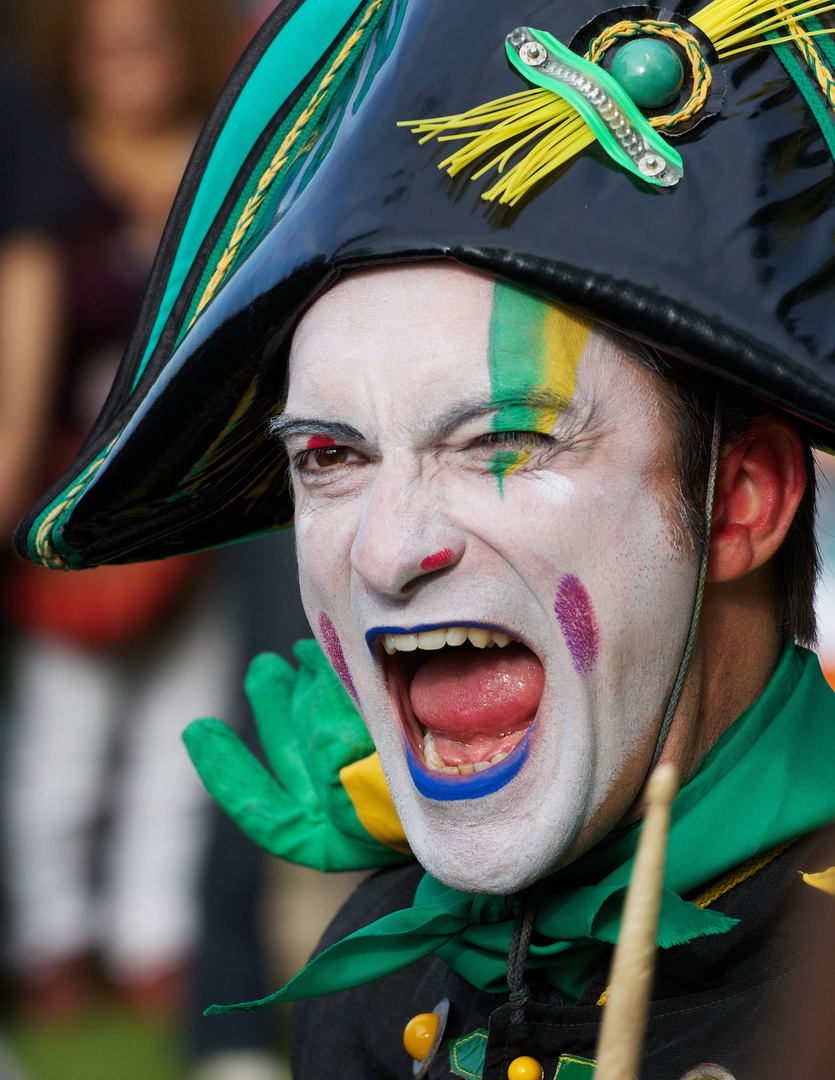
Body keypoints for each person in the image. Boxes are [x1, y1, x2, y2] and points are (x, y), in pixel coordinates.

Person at [13, 0, 835, 1077]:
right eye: (329, 457)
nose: (387, 552)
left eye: (503, 436)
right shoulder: (373, 975)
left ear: (739, 502)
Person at [3, 0, 240, 1021]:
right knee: (60, 739)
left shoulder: (223, 168)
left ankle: (154, 945)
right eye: (107, 46)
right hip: (69, 494)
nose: (128, 66)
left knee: (179, 733)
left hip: (192, 501)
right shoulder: (52, 175)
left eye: (146, 42)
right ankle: (49, 942)